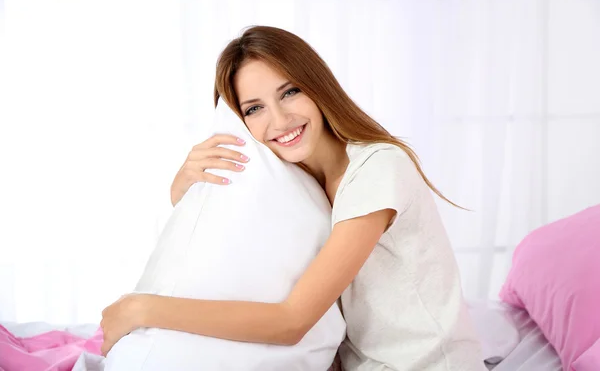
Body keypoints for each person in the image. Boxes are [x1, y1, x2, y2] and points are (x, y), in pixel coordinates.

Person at [101, 26, 486, 370]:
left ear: (318, 87)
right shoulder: (297, 181)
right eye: (255, 109)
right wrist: (183, 183)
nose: (280, 120)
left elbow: (291, 322)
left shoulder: (378, 168)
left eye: (290, 92)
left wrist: (140, 308)